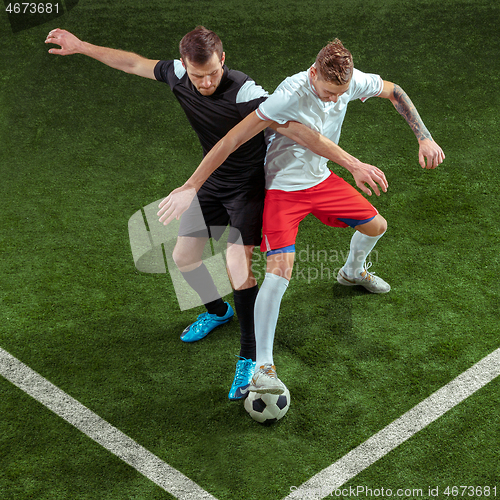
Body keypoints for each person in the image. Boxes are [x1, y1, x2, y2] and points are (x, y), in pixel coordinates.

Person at [45, 28, 385, 400]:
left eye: (212, 73)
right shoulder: (177, 74)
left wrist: (349, 162)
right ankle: (217, 311)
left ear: (223, 60)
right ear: (185, 67)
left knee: (238, 270)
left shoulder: (248, 93)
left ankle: (250, 359)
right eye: (197, 76)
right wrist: (81, 47)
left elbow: (296, 131)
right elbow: (131, 63)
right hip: (213, 180)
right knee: (183, 257)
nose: (205, 82)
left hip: (250, 187)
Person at [157, 38, 445, 395]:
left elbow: (394, 91)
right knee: (280, 272)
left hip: (320, 179)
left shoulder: (350, 82)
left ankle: (352, 272)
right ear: (312, 74)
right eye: (326, 93)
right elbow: (230, 140)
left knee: (377, 226)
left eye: (339, 95)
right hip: (281, 188)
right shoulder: (286, 96)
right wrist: (191, 186)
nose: (332, 100)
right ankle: (263, 365)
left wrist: (425, 138)